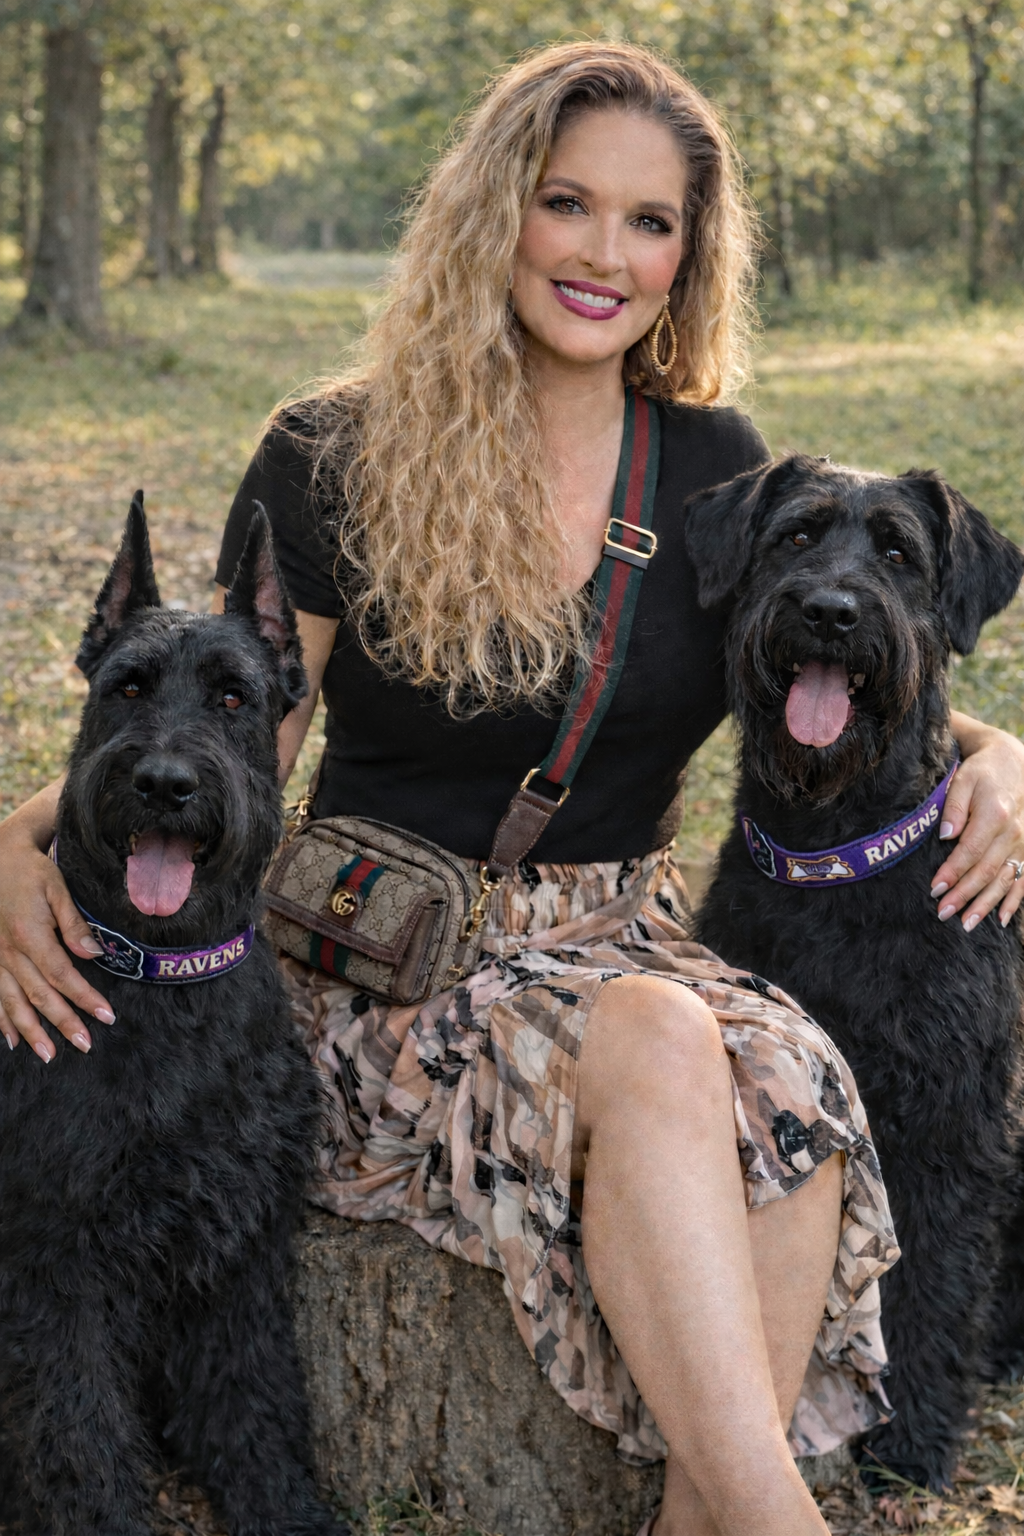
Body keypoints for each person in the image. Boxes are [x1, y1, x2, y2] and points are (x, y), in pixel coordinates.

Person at [2, 42, 1024, 1536]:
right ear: (497, 210)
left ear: (688, 258)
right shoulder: (334, 451)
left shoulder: (713, 468)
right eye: (568, 202)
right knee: (676, 1045)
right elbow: (215, 737)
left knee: (790, 1086)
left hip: (625, 942)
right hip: (389, 962)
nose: (606, 254)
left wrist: (1005, 754)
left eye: (650, 222)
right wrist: (12, 838)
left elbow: (847, 660)